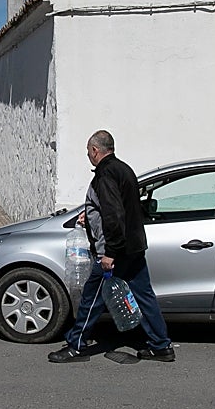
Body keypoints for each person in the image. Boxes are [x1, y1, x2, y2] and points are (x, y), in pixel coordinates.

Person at [49, 130, 175, 364]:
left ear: (95, 150)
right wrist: (93, 215)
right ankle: (161, 346)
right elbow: (121, 208)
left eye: (89, 152)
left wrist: (109, 253)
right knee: (144, 296)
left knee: (91, 297)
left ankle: (76, 346)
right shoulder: (124, 169)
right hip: (134, 247)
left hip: (115, 252)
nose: (88, 156)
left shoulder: (105, 175)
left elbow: (115, 215)